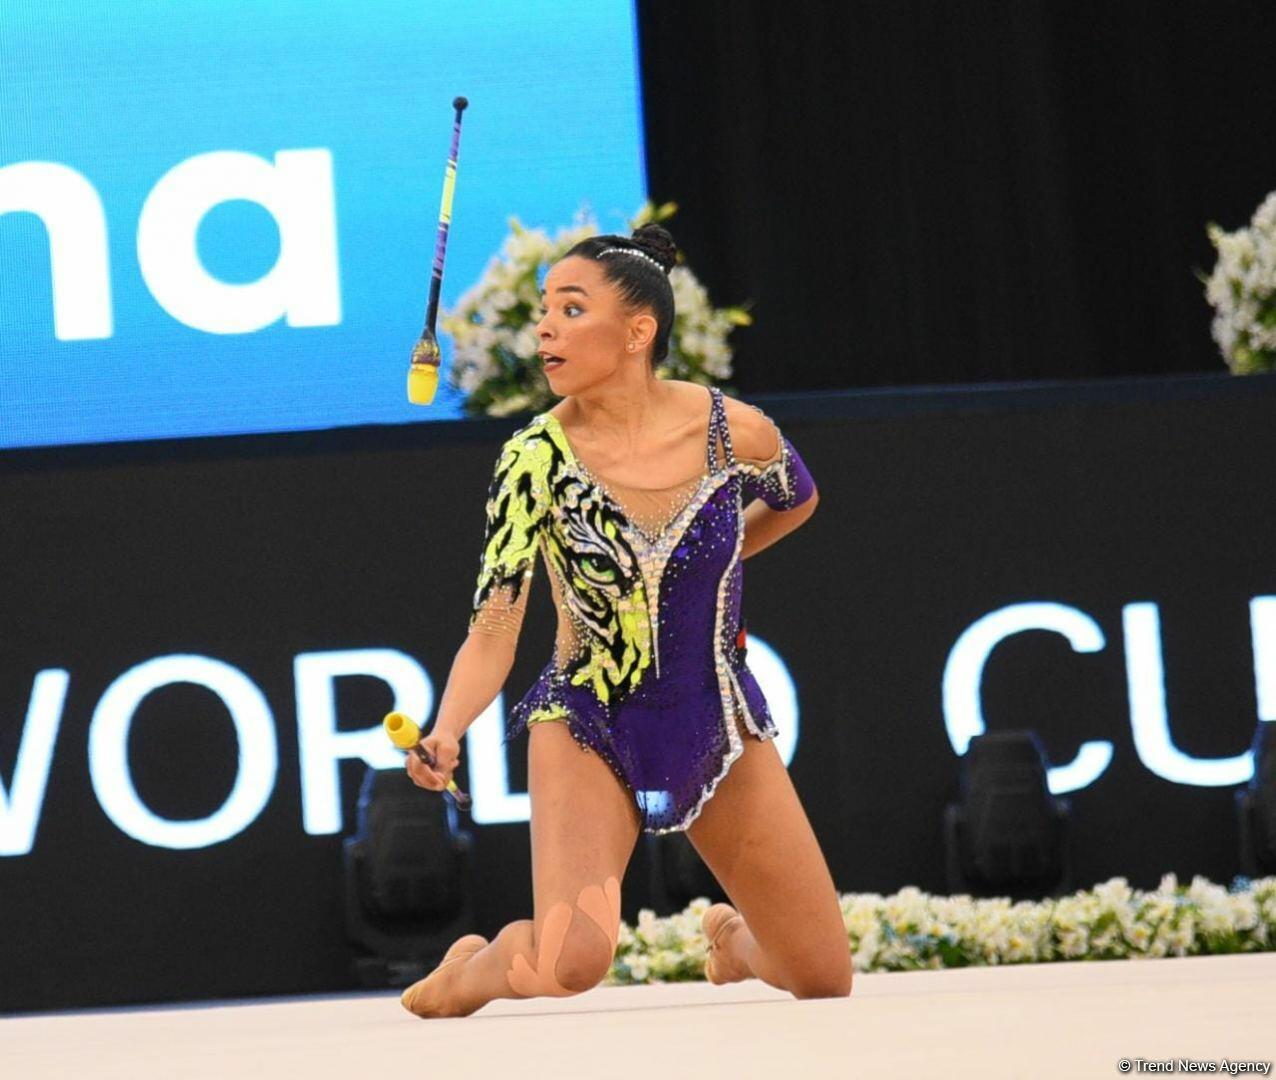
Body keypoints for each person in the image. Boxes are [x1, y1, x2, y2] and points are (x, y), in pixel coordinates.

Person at [400, 223, 852, 1018]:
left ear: (638, 332)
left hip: (714, 715)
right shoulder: (534, 460)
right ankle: (472, 970)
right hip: (587, 720)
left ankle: (733, 945)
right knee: (571, 962)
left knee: (821, 975)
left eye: (571, 309)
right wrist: (447, 728)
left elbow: (798, 498)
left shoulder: (731, 431)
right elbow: (495, 625)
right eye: (544, 309)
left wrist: (714, 566)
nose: (545, 327)